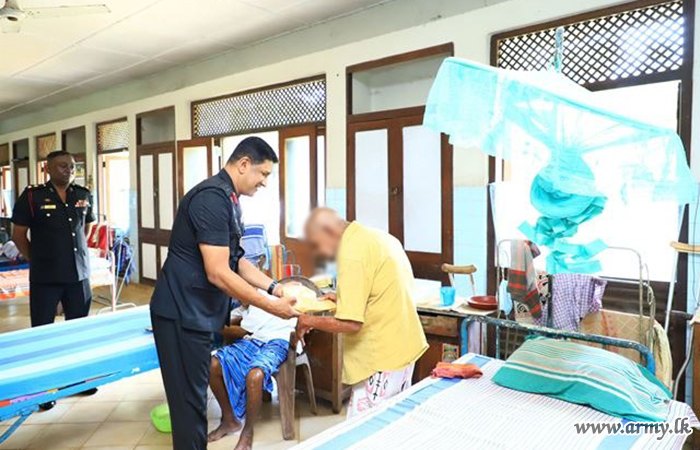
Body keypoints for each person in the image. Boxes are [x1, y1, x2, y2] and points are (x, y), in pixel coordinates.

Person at [150, 137, 298, 450]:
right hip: (181, 313)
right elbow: (218, 271)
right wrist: (273, 307)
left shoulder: (230, 199)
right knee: (188, 404)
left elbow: (236, 260)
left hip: (197, 313)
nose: (264, 182)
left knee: (193, 399)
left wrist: (274, 287)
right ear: (244, 164)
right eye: (263, 173)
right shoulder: (211, 199)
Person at [297, 208, 428, 418]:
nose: (324, 254)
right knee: (393, 419)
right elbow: (381, 289)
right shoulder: (379, 237)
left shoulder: (352, 254)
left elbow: (350, 323)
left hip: (381, 358)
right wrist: (343, 297)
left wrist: (306, 320)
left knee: (366, 425)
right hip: (404, 347)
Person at [11, 150, 97, 410]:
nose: (68, 170)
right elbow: (18, 235)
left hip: (78, 276)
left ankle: (76, 381)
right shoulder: (32, 196)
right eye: (62, 166)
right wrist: (37, 258)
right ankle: (44, 389)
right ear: (47, 168)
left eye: (72, 166)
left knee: (77, 331)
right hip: (46, 277)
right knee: (43, 334)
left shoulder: (83, 194)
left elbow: (85, 228)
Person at [208, 302, 295, 450]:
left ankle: (247, 432)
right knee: (212, 364)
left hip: (278, 341)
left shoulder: (285, 296)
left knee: (255, 375)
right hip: (253, 339)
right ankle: (229, 420)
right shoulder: (245, 308)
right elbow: (226, 323)